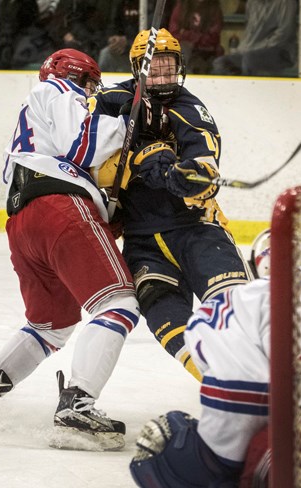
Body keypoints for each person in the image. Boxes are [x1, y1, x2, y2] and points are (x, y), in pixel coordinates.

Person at [0, 49, 140, 452]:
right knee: (119, 303)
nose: (92, 92)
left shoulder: (31, 119)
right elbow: (83, 145)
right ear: (74, 75)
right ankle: (77, 406)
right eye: (90, 83)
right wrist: (125, 122)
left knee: (51, 327)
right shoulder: (56, 90)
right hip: (59, 209)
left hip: (23, 224)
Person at [89, 28, 254, 382]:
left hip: (196, 229)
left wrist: (187, 177)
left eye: (169, 68)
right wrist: (136, 160)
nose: (163, 76)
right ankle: (223, 388)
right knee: (169, 322)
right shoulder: (112, 101)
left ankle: (266, 383)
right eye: (155, 68)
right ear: (138, 68)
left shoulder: (190, 109)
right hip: (143, 241)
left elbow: (205, 169)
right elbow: (88, 160)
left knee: (237, 312)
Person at [129, 229, 301, 487]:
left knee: (169, 455)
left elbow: (244, 397)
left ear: (254, 271)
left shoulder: (245, 297)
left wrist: (207, 461)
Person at [211, 0, 298, 76]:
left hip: (281, 53)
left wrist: (256, 48)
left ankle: (250, 92)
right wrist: (241, 49)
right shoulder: (251, 2)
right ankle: (231, 94)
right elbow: (250, 31)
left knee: (249, 60)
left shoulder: (286, 2)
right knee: (220, 62)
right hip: (252, 51)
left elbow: (285, 33)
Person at [168, 0, 225, 74]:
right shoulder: (181, 6)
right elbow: (174, 34)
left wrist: (186, 33)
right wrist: (198, 37)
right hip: (185, 52)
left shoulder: (215, 9)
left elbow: (213, 38)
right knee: (184, 49)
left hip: (207, 53)